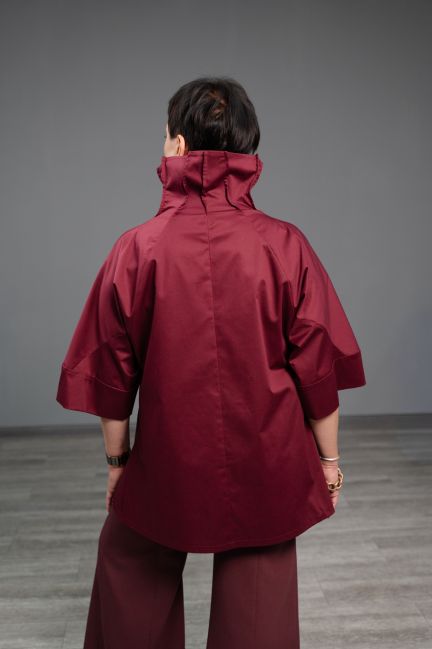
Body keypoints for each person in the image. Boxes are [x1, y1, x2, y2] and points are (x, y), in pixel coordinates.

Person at [56, 76, 366, 649]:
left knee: (131, 566)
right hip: (268, 455)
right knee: (260, 592)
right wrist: (329, 462)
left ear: (177, 145)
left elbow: (110, 374)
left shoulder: (136, 248)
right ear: (247, 150)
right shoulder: (285, 245)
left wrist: (118, 463)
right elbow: (318, 370)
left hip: (169, 456)